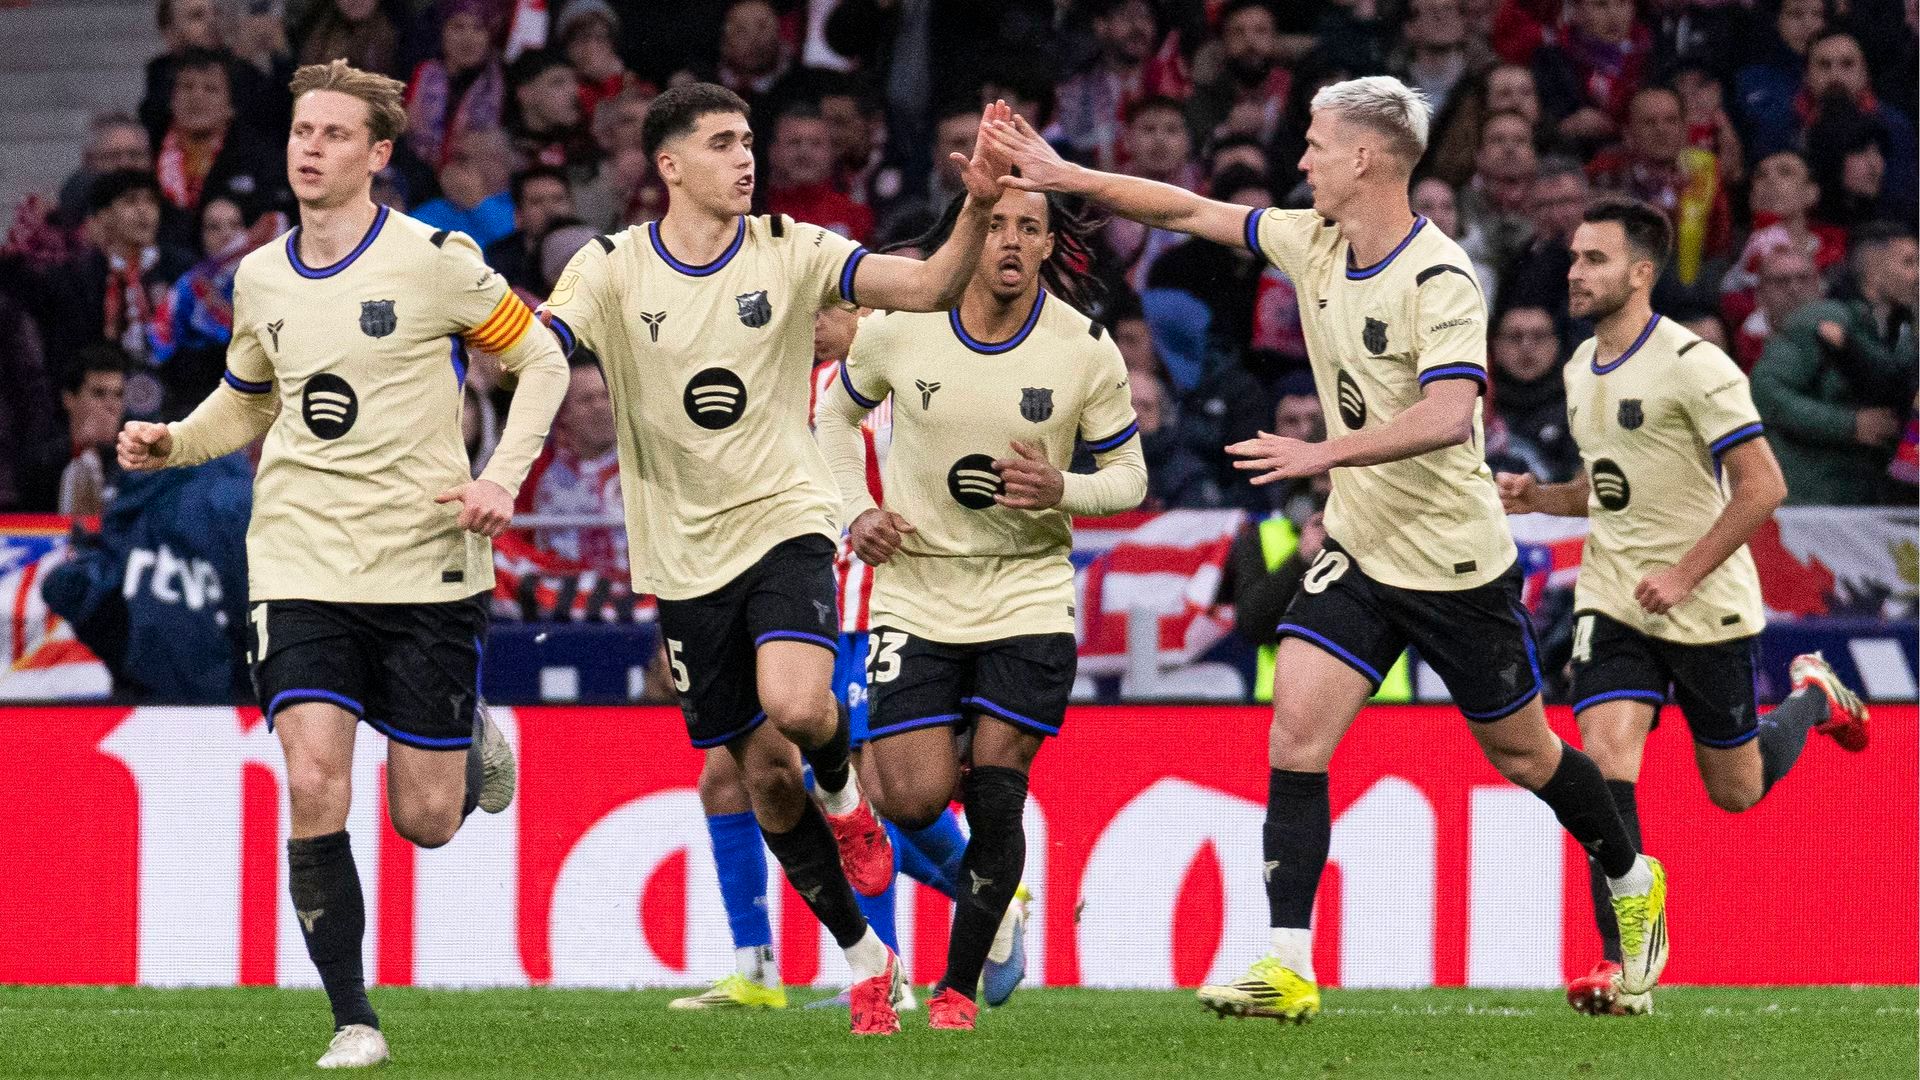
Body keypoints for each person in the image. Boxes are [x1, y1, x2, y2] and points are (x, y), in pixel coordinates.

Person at [986, 74, 1665, 1023]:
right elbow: (1185, 209)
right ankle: (1288, 963)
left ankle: (1632, 879)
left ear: (1363, 157)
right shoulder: (1312, 240)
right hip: (1358, 549)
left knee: (1525, 754)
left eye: (1315, 142)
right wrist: (1064, 174)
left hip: (1454, 563)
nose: (1300, 158)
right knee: (1296, 736)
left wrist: (1323, 454)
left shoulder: (1440, 277)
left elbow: (1448, 413)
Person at [114, 59, 570, 1069]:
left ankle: (467, 730)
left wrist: (502, 475)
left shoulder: (438, 260)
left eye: (333, 134)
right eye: (300, 131)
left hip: (425, 567)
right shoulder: (259, 276)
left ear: (377, 153)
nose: (310, 149)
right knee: (314, 779)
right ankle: (353, 1018)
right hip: (299, 564)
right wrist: (176, 441)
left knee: (428, 819)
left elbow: (539, 357)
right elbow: (249, 399)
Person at [534, 82, 1017, 1036]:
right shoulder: (620, 270)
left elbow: (925, 288)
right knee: (753, 777)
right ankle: (862, 959)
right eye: (723, 143)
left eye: (749, 140)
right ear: (670, 165)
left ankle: (946, 874)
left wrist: (976, 207)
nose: (746, 158)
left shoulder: (800, 256)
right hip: (685, 559)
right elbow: (542, 343)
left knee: (811, 721)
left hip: (815, 549)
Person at [1496, 198, 1870, 1016]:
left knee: (1735, 789)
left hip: (1703, 605)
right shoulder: (1578, 367)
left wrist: (1686, 573)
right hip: (1613, 597)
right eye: (1574, 257)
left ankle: (1813, 697)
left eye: (1594, 259)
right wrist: (1542, 497)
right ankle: (1624, 965)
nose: (1575, 272)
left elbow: (1764, 486)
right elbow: (1610, 489)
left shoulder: (1698, 366)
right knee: (1605, 762)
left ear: (1641, 272)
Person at [817, 186, 1145, 1030]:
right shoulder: (900, 327)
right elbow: (832, 415)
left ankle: (955, 990)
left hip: (1027, 592)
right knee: (911, 800)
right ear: (968, 234)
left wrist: (1062, 487)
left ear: (1048, 246)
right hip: (917, 591)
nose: (1009, 240)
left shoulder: (1084, 348)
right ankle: (977, 821)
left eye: (1028, 228)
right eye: (994, 224)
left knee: (999, 793)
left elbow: (1130, 477)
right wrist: (857, 510)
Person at [1751, 223, 1919, 504]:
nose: (1917, 275)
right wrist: (1849, 425)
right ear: (1874, 269)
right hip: (1812, 496)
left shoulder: (1902, 331)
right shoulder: (1823, 318)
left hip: (1870, 497)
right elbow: (1765, 390)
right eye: (1908, 262)